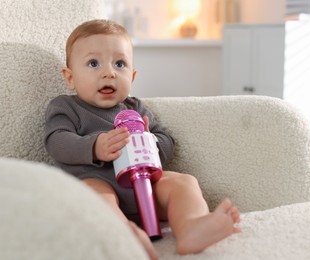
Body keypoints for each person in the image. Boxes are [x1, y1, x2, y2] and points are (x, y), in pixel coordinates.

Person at [44, 19, 240, 259]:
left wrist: (149, 141)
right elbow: (57, 141)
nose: (109, 72)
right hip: (98, 182)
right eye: (93, 63)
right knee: (94, 194)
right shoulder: (67, 107)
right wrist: (95, 146)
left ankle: (191, 226)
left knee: (184, 182)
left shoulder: (135, 108)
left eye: (120, 63)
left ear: (133, 75)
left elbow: (166, 139)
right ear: (70, 77)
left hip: (144, 187)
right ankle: (124, 233)